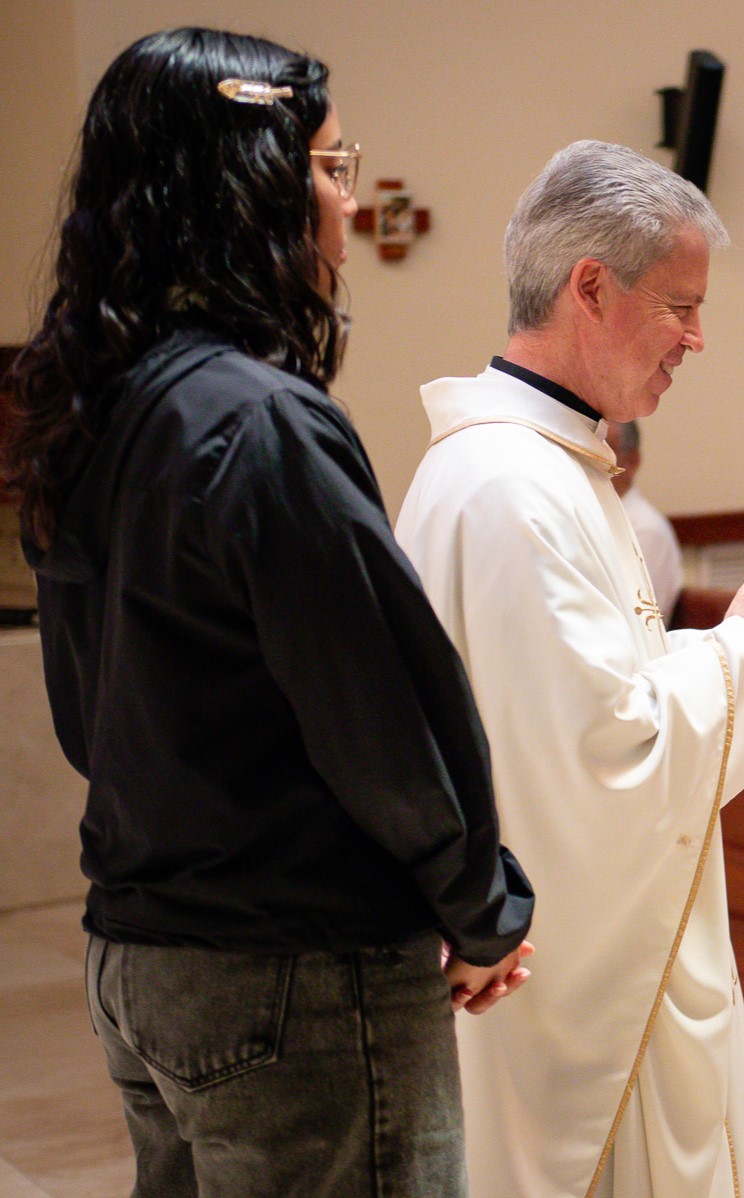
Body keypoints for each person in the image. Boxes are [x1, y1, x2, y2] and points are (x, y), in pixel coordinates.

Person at [0, 28, 534, 1196]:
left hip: (141, 956)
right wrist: (482, 905)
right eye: (333, 169)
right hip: (296, 969)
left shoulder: (85, 414)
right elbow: (381, 713)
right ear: (248, 188)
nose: (349, 203)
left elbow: (90, 722)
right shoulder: (261, 421)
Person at [396, 141, 744, 1198]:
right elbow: (600, 762)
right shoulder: (513, 488)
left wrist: (725, 647)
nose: (698, 338)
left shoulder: (534, 465)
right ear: (591, 288)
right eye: (680, 307)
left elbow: (583, 700)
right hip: (572, 1001)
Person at [604, 418, 683, 611]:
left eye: (604, 451)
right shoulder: (590, 514)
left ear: (632, 461)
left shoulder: (646, 529)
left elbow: (636, 614)